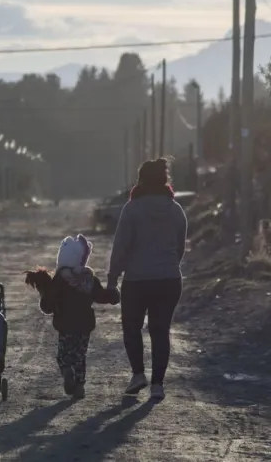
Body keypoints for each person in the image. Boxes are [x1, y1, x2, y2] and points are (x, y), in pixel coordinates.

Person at [107, 157, 187, 402]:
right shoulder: (176, 210)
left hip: (137, 280)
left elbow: (121, 247)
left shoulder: (132, 210)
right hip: (169, 279)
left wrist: (112, 278)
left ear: (141, 180)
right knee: (160, 331)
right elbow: (180, 248)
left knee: (132, 328)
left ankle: (138, 374)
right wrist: (167, 266)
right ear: (164, 180)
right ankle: (158, 385)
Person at [25, 234, 120, 399]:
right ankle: (80, 386)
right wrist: (113, 295)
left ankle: (67, 371)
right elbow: (101, 296)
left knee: (64, 355)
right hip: (84, 325)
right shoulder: (89, 279)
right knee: (80, 356)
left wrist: (44, 299)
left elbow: (49, 304)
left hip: (65, 324)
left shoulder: (60, 279)